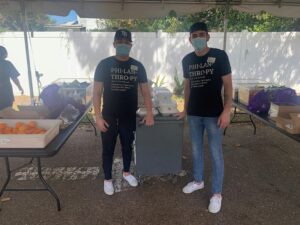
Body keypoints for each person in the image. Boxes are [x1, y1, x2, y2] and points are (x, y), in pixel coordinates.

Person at [177, 22, 232, 213]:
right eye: (195, 35)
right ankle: (198, 181)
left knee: (216, 153)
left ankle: (217, 194)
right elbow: (187, 87)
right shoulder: (187, 60)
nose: (198, 38)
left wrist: (226, 110)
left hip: (214, 115)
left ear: (208, 36)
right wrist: (185, 109)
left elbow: (228, 86)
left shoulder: (219, 56)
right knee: (196, 150)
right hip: (194, 114)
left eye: (202, 34)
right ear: (190, 39)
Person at [93, 29, 154, 195]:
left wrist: (149, 113)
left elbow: (146, 92)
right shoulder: (104, 64)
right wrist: (97, 116)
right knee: (108, 148)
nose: (123, 45)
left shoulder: (137, 66)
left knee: (127, 146)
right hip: (108, 116)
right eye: (120, 42)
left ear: (131, 45)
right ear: (114, 44)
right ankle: (107, 179)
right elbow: (97, 92)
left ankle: (126, 172)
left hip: (128, 115)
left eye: (126, 43)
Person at [0, 46, 24, 111]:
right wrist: (20, 87)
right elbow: (14, 77)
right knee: (7, 113)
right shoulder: (7, 64)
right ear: (4, 54)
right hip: (6, 93)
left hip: (6, 93)